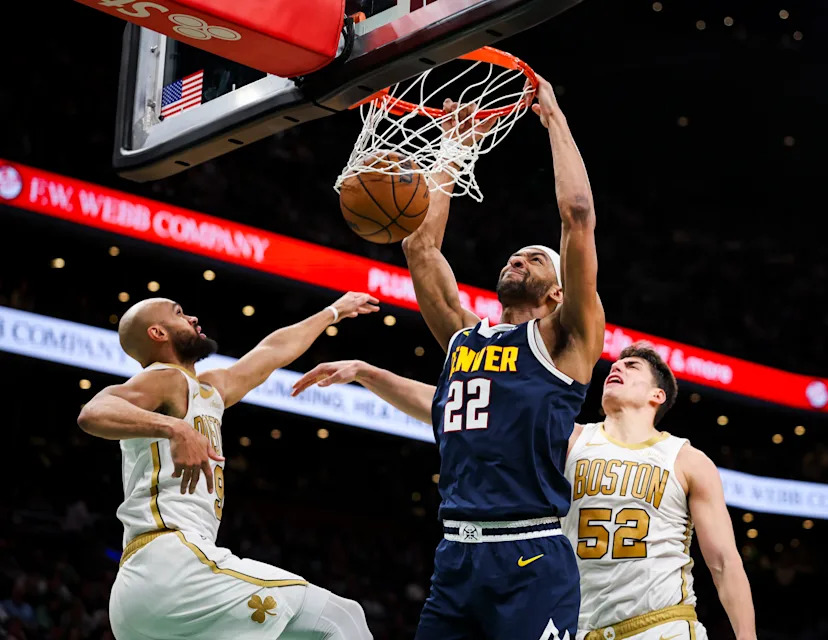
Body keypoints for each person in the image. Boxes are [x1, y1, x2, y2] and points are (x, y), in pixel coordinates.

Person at [302, 75, 606, 640]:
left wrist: (555, 120)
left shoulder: (566, 342)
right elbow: (420, 246)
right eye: (515, 255)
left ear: (557, 293)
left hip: (530, 554)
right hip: (456, 557)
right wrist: (455, 147)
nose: (519, 258)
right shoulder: (466, 340)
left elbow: (578, 217)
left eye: (535, 259)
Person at [292, 343, 757, 640]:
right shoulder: (568, 438)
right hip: (580, 625)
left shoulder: (687, 459)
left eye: (631, 367)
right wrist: (368, 373)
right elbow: (455, 406)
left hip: (662, 625)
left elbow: (723, 563)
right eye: (613, 365)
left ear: (658, 396)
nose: (615, 369)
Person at [77, 292, 380, 640]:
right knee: (341, 617)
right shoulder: (164, 379)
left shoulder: (206, 389)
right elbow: (93, 412)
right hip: (171, 564)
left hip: (142, 595)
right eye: (179, 313)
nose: (191, 317)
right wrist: (175, 427)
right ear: (158, 333)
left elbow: (271, 352)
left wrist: (333, 312)